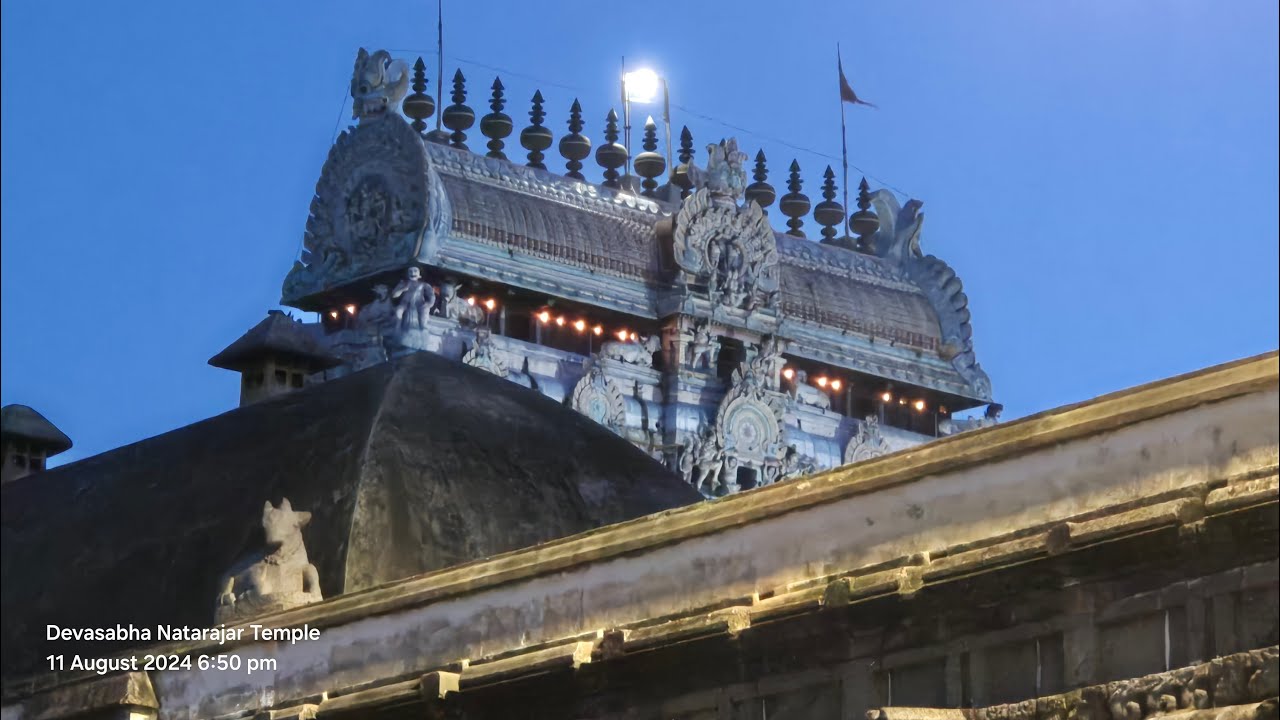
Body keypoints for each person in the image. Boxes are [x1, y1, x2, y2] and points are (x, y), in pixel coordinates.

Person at [392, 267, 433, 333]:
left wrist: (429, 304)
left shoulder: (424, 285)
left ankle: (423, 326)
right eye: (410, 271)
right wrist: (402, 289)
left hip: (419, 304)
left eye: (415, 271)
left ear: (419, 275)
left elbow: (431, 295)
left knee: (425, 311)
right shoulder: (403, 284)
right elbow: (394, 295)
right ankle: (397, 328)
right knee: (398, 311)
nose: (413, 273)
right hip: (404, 304)